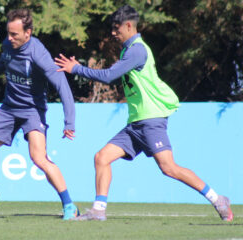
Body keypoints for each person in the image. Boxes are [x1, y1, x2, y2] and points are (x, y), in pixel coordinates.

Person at [55, 5, 233, 221]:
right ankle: (98, 211)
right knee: (102, 158)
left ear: (128, 25)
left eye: (116, 28)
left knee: (168, 168)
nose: (113, 32)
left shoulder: (137, 50)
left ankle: (217, 199)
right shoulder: (127, 50)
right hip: (136, 122)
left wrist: (77, 69)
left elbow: (109, 76)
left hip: (151, 119)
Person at [0, 8, 79, 220]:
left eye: (15, 34)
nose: (9, 38)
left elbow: (61, 85)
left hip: (33, 111)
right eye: (8, 33)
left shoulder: (38, 54)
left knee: (39, 158)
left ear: (28, 33)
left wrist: (70, 122)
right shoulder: (7, 45)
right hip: (9, 108)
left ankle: (69, 205)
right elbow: (4, 62)